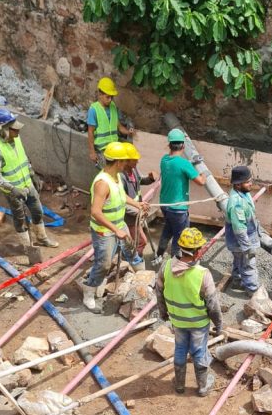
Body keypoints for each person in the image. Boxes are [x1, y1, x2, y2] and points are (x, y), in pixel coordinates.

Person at [155, 227, 224, 397]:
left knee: (180, 348)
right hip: (198, 323)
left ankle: (179, 385)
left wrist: (163, 313)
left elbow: (159, 293)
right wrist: (218, 324)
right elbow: (213, 305)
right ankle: (202, 387)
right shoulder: (202, 274)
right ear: (197, 251)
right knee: (199, 351)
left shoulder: (166, 267)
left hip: (178, 321)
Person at [84, 142, 149, 313]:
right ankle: (88, 294)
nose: (128, 163)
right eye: (125, 161)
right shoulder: (102, 183)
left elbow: (121, 195)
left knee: (132, 253)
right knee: (103, 264)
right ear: (119, 162)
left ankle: (145, 282)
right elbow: (95, 212)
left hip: (120, 225)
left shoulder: (116, 177)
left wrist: (137, 204)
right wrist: (115, 230)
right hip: (104, 232)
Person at [0, 108, 58, 249]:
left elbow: (24, 158)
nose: (18, 131)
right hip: (13, 191)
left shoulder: (17, 138)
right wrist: (13, 189)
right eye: (15, 129)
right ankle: (28, 246)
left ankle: (42, 238)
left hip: (27, 185)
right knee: (20, 219)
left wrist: (32, 174)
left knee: (38, 212)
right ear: (4, 129)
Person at [152, 129, 206, 266]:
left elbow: (177, 168)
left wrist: (190, 164)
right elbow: (201, 182)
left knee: (168, 230)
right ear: (183, 145)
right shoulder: (184, 164)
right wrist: (203, 171)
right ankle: (175, 264)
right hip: (178, 208)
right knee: (180, 237)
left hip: (165, 205)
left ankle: (158, 256)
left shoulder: (164, 160)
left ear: (169, 145)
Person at [224, 166, 263, 295]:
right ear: (238, 184)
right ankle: (253, 290)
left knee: (238, 260)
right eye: (247, 182)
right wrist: (247, 248)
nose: (251, 183)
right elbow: (240, 230)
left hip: (241, 240)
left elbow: (250, 216)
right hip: (241, 242)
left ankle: (237, 281)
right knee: (248, 264)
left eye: (250, 180)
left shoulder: (244, 193)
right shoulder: (237, 203)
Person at [120, 147, 158, 268]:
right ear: (126, 160)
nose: (137, 161)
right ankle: (133, 265)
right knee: (140, 242)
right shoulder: (120, 177)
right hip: (128, 217)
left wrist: (150, 179)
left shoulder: (133, 169)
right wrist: (138, 211)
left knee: (135, 242)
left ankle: (131, 262)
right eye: (134, 159)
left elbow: (140, 180)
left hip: (136, 214)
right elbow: (121, 201)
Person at [87, 77, 135, 168]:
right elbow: (90, 132)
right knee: (109, 173)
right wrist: (92, 152)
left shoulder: (113, 106)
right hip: (101, 150)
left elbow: (118, 126)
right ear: (100, 94)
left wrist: (128, 132)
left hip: (114, 147)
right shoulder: (93, 110)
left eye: (111, 97)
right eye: (107, 97)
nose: (110, 100)